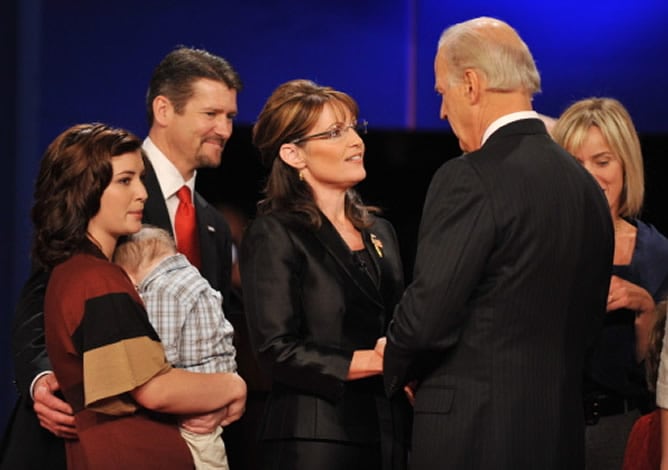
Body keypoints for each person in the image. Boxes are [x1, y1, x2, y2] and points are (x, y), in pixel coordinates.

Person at [381, 16, 614, 469]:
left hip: (473, 434)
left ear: (470, 84)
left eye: (440, 93)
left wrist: (399, 362)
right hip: (558, 435)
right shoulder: (585, 187)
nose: (443, 112)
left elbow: (429, 312)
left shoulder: (469, 176)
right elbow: (586, 324)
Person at [1, 46, 243, 469]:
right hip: (80, 432)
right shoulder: (101, 189)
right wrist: (43, 379)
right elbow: (41, 301)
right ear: (164, 109)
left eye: (229, 116)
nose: (224, 129)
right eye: (211, 114)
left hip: (170, 438)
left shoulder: (212, 223)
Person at [34, 122, 247, 468]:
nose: (143, 193)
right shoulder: (96, 279)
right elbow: (154, 389)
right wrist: (233, 385)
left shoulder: (79, 271)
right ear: (85, 189)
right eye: (125, 180)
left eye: (140, 178)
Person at [239, 79, 410, 470]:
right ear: (293, 154)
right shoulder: (276, 232)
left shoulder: (380, 232)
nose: (355, 141)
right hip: (314, 440)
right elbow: (276, 350)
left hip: (389, 433)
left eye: (353, 127)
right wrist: (380, 361)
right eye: (335, 132)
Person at [552, 97, 668, 470]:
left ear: (626, 166)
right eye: (575, 163)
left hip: (622, 431)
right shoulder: (539, 244)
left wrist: (647, 307)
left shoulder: (656, 252)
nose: (589, 176)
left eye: (602, 162)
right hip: (548, 425)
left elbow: (657, 377)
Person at [113, 225, 237, 469]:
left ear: (129, 275)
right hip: (213, 400)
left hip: (191, 414)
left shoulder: (163, 290)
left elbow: (158, 360)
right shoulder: (193, 279)